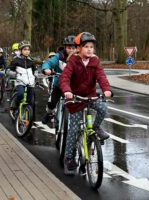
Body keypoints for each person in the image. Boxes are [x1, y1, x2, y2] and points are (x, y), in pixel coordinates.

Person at [60, 32, 112, 175]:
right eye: (86, 47)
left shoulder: (95, 61)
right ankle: (69, 159)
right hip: (75, 98)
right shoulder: (73, 61)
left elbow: (101, 76)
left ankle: (96, 127)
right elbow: (65, 78)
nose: (89, 49)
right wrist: (67, 91)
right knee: (74, 129)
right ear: (78, 48)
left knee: (103, 108)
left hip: (90, 96)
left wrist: (106, 89)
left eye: (91, 47)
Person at [41, 36, 77, 124]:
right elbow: (49, 62)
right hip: (59, 84)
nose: (71, 50)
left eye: (73, 48)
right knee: (52, 102)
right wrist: (46, 69)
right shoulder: (59, 56)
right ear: (65, 47)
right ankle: (49, 113)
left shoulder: (78, 57)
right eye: (69, 48)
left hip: (73, 86)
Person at [8, 41, 37, 112]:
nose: (27, 51)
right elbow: (8, 70)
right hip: (20, 82)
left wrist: (36, 76)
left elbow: (35, 70)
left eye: (28, 49)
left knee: (31, 101)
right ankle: (15, 106)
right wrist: (14, 74)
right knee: (20, 94)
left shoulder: (31, 60)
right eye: (25, 49)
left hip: (30, 83)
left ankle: (28, 117)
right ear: (20, 50)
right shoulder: (16, 60)